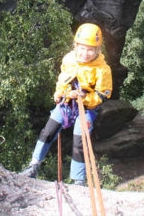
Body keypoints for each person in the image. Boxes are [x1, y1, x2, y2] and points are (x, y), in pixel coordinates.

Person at [21, 23, 112, 186]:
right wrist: (60, 93)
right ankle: (33, 165)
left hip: (87, 108)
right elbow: (63, 80)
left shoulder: (102, 69)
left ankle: (78, 180)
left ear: (97, 50)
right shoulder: (69, 60)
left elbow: (102, 94)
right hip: (67, 104)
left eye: (90, 50)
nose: (85, 53)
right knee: (48, 132)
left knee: (80, 140)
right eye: (82, 48)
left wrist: (83, 99)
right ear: (76, 46)